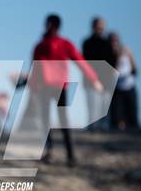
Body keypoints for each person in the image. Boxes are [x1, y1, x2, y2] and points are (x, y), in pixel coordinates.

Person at [29, 14, 103, 167]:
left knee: (62, 120)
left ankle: (70, 156)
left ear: (56, 26)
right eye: (49, 24)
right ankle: (49, 152)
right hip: (44, 88)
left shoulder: (64, 44)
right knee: (45, 120)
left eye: (52, 25)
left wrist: (94, 79)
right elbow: (34, 68)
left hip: (59, 88)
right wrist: (33, 87)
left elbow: (79, 60)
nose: (50, 27)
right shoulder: (40, 46)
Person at [82, 17, 116, 131]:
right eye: (99, 26)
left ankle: (104, 136)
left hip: (106, 82)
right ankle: (92, 134)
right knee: (93, 111)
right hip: (91, 81)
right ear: (93, 27)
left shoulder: (107, 43)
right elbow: (86, 62)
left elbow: (112, 62)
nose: (101, 28)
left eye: (102, 26)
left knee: (105, 111)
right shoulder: (87, 43)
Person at [109, 32, 139, 130]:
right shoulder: (110, 55)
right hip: (117, 88)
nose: (115, 44)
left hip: (130, 86)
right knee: (117, 115)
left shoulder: (127, 52)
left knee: (132, 114)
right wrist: (117, 56)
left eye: (116, 41)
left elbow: (135, 70)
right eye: (112, 42)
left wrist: (130, 56)